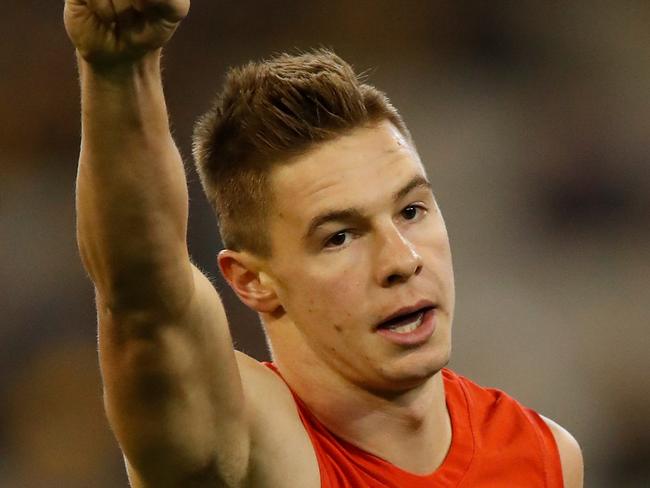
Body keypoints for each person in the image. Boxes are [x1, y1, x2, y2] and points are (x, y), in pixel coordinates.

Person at [64, 1, 584, 487]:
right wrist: (118, 69)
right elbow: (143, 301)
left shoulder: (546, 455)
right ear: (253, 281)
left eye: (411, 211)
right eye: (339, 237)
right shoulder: (252, 449)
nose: (402, 260)